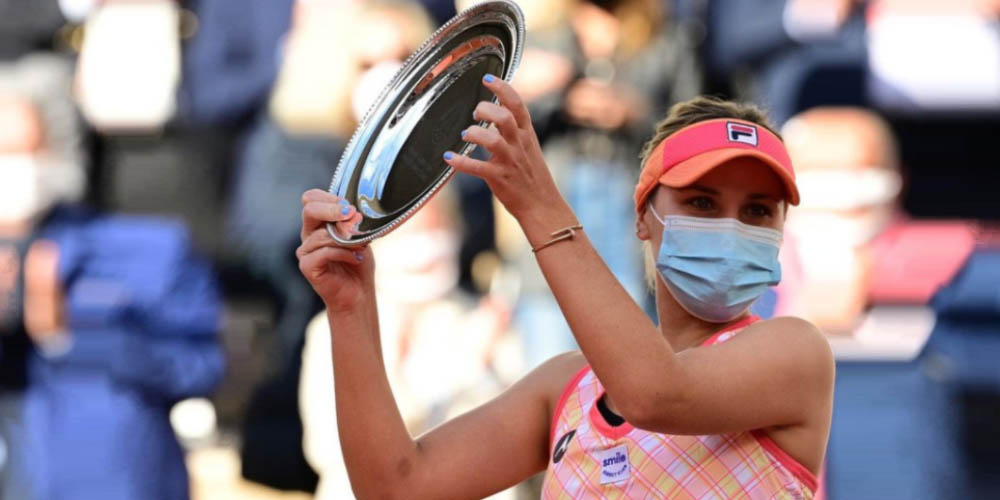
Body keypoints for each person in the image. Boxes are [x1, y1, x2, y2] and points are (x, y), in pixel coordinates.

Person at [296, 79, 833, 498]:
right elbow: (396, 488)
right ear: (642, 218)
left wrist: (538, 203)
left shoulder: (795, 351)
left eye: (758, 211)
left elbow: (654, 395)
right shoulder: (566, 386)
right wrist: (351, 308)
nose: (730, 228)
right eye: (702, 202)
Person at [0, 53, 224, 500]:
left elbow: (201, 367)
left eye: (26, 150)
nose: (14, 167)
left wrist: (66, 338)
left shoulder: (145, 249)